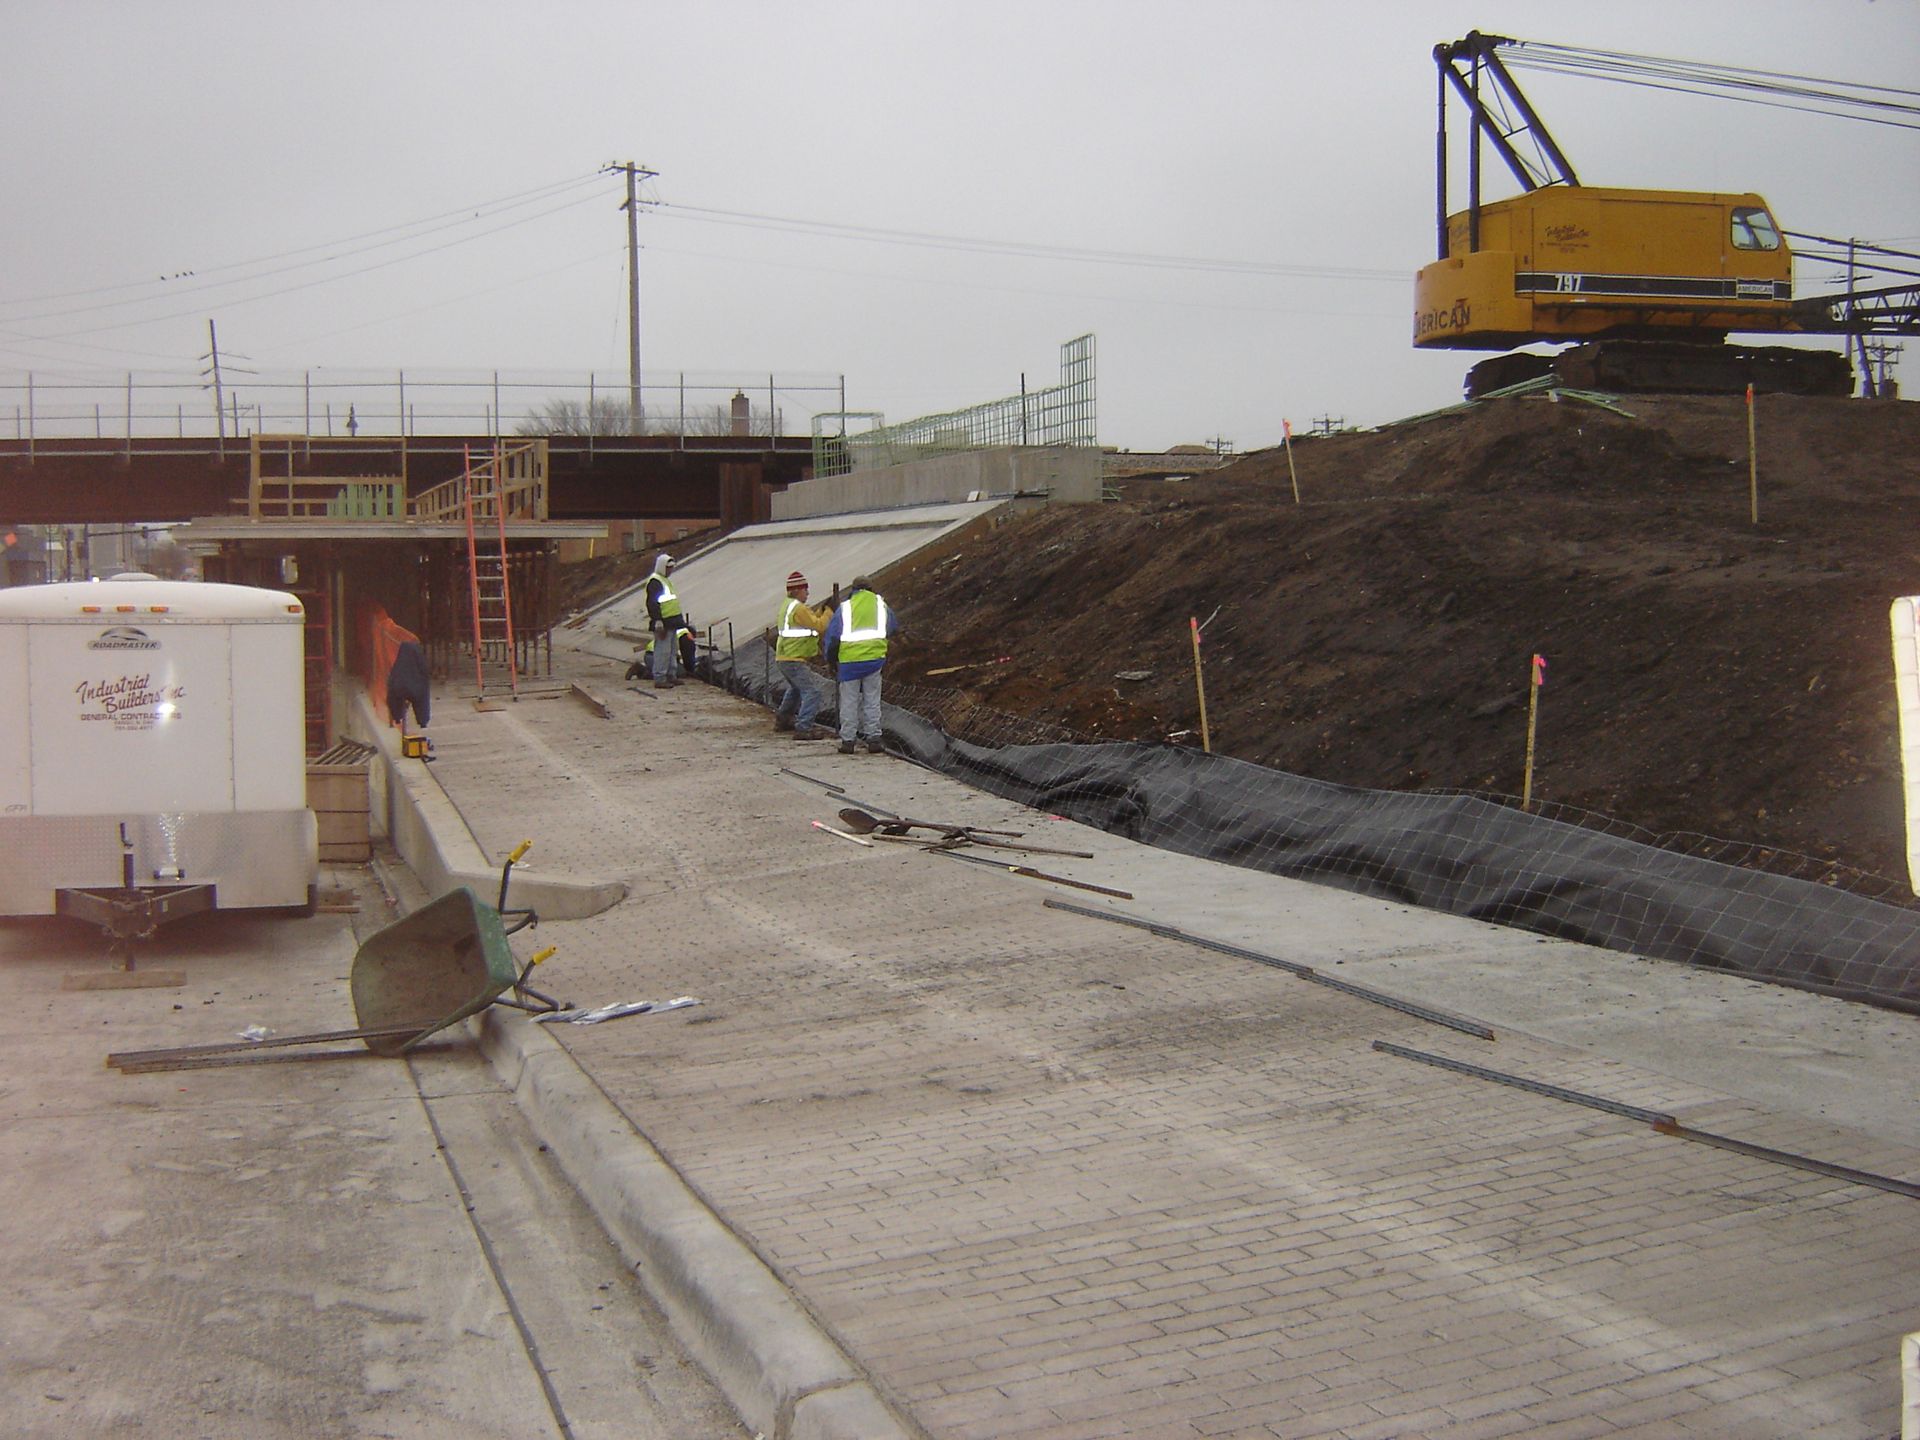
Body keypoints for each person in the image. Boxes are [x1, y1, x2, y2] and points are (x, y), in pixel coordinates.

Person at [821, 575, 899, 754]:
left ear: (853, 589)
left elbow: (833, 637)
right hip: (874, 660)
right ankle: (874, 738)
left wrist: (831, 660)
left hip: (849, 663)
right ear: (870, 588)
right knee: (872, 700)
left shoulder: (846, 607)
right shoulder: (880, 604)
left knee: (849, 701)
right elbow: (893, 626)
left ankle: (848, 741)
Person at [771, 570, 832, 739]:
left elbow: (808, 621)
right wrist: (828, 613)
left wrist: (819, 612)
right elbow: (819, 626)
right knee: (813, 692)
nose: (808, 593)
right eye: (805, 589)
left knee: (796, 689)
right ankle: (804, 727)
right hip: (794, 659)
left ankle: (783, 719)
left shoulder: (788, 605)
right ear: (797, 590)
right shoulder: (798, 608)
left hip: (784, 657)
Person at [642, 551, 686, 689]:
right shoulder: (655, 581)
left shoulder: (665, 580)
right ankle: (660, 677)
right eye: (668, 568)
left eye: (672, 568)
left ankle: (671, 675)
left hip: (672, 622)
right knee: (663, 651)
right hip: (664, 623)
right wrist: (658, 620)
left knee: (672, 651)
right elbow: (652, 603)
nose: (671, 570)